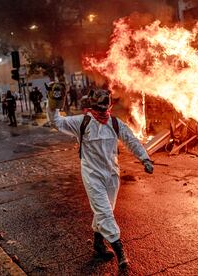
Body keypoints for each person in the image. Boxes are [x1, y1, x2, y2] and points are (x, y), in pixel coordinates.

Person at [47, 87, 154, 269]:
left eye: (105, 102)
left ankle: (98, 243)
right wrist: (54, 103)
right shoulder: (82, 122)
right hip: (92, 175)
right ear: (93, 103)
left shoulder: (114, 123)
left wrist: (144, 158)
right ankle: (120, 251)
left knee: (105, 211)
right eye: (101, 102)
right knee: (104, 211)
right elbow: (56, 121)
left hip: (112, 175)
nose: (103, 106)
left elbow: (131, 140)